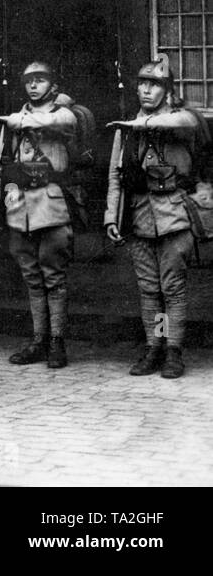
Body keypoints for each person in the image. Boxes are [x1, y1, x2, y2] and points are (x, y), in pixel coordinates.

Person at [105, 55, 209, 379]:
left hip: (175, 216)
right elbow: (115, 175)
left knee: (172, 288)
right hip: (138, 217)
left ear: (168, 90)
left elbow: (186, 123)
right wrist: (111, 215)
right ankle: (156, 345)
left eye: (155, 85)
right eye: (143, 84)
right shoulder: (126, 130)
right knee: (150, 290)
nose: (147, 90)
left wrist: (141, 124)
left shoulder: (182, 120)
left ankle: (174, 351)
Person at [0, 61, 84, 369]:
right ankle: (39, 340)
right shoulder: (12, 122)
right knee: (32, 279)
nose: (33, 85)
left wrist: (19, 121)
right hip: (18, 207)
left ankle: (57, 342)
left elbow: (59, 122)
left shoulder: (63, 115)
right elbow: (2, 167)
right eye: (29, 81)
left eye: (40, 80)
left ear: (53, 85)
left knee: (54, 277)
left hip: (52, 207)